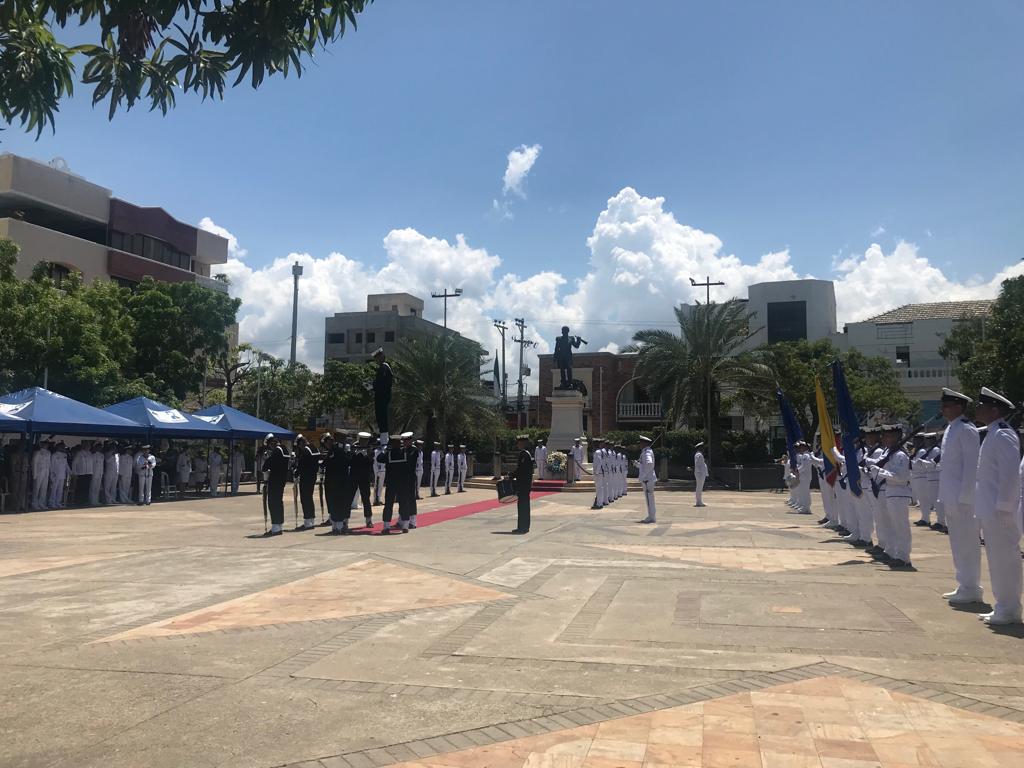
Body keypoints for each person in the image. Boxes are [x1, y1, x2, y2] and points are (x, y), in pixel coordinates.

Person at [973, 388, 1022, 625]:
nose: (977, 409)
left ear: (995, 410)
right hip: (990, 508)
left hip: (1000, 510)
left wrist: (1004, 507)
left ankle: (1010, 608)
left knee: (1005, 560)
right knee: (996, 559)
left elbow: (1010, 475)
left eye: (982, 405)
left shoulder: (1003, 435)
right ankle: (1003, 605)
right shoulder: (992, 433)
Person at [937, 388, 983, 605]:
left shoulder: (966, 429)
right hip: (951, 495)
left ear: (959, 407)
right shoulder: (951, 429)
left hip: (963, 498)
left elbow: (971, 466)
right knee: (957, 542)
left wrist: (966, 497)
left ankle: (972, 587)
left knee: (968, 542)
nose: (943, 409)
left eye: (947, 405)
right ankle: (963, 584)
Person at [869, 425, 913, 567]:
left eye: (890, 436)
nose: (886, 439)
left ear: (897, 437)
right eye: (885, 436)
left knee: (901, 527)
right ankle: (893, 552)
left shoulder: (900, 455)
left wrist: (880, 472)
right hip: (891, 493)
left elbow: (902, 477)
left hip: (899, 493)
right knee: (892, 526)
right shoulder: (889, 453)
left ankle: (904, 557)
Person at [261, 434, 289, 536]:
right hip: (282, 479)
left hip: (275, 479)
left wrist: (267, 458)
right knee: (278, 502)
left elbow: (267, 465)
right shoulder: (284, 449)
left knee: (273, 503)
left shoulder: (277, 450)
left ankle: (275, 528)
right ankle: (278, 525)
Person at [509, 434, 534, 533]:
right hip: (525, 484)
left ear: (523, 443)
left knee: (523, 506)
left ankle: (522, 527)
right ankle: (524, 526)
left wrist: (511, 475)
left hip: (523, 485)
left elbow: (521, 470)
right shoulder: (526, 454)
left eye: (519, 443)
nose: (517, 445)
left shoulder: (524, 454)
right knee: (524, 506)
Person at [293, 434, 318, 530]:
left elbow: (302, 464)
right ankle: (311, 520)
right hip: (312, 476)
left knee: (305, 499)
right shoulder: (314, 448)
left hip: (306, 477)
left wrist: (296, 472)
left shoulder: (306, 451)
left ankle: (308, 522)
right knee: (309, 498)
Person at [372, 347, 394, 445]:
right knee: (381, 420)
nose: (377, 360)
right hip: (381, 397)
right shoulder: (383, 368)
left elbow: (383, 384)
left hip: (382, 398)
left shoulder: (384, 368)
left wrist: (373, 386)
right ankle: (383, 439)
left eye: (378, 358)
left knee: (382, 419)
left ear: (382, 356)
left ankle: (384, 441)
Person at [637, 436, 657, 523]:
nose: (639, 444)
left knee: (649, 499)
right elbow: (644, 466)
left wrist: (644, 476)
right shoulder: (646, 452)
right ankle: (651, 516)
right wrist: (637, 464)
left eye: (641, 443)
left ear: (645, 443)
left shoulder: (646, 453)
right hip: (649, 478)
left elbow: (649, 464)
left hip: (647, 479)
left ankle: (651, 517)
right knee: (649, 498)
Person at [30, 440, 51, 511]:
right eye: (45, 444)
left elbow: (49, 464)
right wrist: (34, 474)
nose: (46, 445)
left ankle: (41, 503)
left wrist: (49, 473)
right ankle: (34, 503)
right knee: (36, 489)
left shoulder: (48, 453)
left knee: (44, 489)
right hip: (39, 472)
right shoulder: (37, 452)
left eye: (47, 444)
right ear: (41, 444)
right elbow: (34, 463)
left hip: (46, 472)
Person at [48, 443, 69, 509]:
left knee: (60, 490)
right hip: (55, 474)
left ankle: (58, 502)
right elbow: (51, 465)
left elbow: (66, 465)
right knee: (54, 489)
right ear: (58, 447)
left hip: (62, 475)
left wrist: (70, 471)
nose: (63, 448)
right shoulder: (54, 455)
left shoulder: (64, 455)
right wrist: (51, 473)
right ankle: (52, 503)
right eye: (62, 447)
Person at [694, 442, 708, 507]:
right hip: (700, 473)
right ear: (700, 448)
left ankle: (699, 501)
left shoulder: (699, 454)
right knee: (699, 488)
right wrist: (699, 472)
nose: (703, 449)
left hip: (701, 473)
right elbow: (697, 464)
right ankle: (698, 502)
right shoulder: (698, 454)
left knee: (700, 488)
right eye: (702, 447)